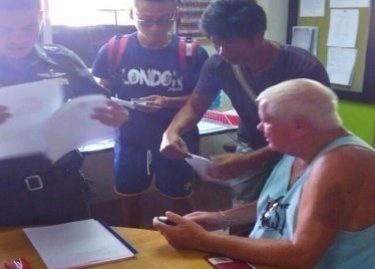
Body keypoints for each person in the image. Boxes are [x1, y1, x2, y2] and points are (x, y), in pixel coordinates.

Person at [154, 79, 375, 269]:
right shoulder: (298, 148)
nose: (260, 127)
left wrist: (202, 240)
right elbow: (279, 203)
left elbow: (301, 254)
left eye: (267, 120)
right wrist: (219, 219)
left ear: (299, 125)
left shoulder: (341, 163)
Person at [160, 0, 330, 208]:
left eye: (229, 43)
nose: (221, 51)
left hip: (298, 152)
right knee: (243, 212)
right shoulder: (218, 65)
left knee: (292, 211)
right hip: (251, 144)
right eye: (215, 42)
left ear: (258, 36)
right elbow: (195, 106)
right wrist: (171, 132)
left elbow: (314, 133)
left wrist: (249, 160)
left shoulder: (304, 69)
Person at [0, 0, 128, 226]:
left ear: (40, 18)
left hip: (62, 189)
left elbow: (101, 106)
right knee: (12, 262)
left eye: (28, 28)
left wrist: (116, 117)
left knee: (82, 260)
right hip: (5, 196)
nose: (17, 39)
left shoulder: (63, 59)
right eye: (5, 29)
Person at [92, 0, 208, 200]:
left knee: (180, 199)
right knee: (128, 196)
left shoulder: (192, 53)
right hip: (130, 139)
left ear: (176, 15)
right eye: (145, 21)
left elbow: (202, 99)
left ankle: (182, 232)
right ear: (132, 15)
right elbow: (102, 91)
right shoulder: (114, 49)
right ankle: (130, 233)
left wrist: (166, 101)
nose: (155, 28)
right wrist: (102, 103)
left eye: (165, 20)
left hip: (177, 139)